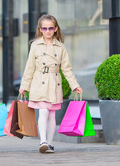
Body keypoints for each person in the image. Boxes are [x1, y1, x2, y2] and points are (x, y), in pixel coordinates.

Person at [19, 14, 83, 154]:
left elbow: (67, 69)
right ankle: (43, 141)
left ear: (56, 29)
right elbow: (29, 67)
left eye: (50, 28)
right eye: (44, 28)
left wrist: (75, 85)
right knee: (43, 111)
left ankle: (50, 143)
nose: (47, 31)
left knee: (52, 115)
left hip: (54, 83)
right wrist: (24, 86)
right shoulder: (35, 45)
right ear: (40, 29)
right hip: (39, 82)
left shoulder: (60, 47)